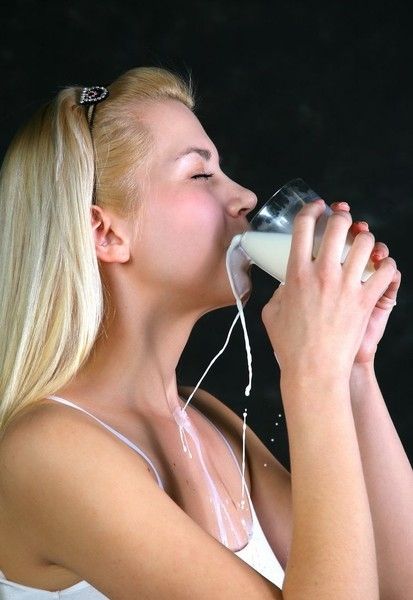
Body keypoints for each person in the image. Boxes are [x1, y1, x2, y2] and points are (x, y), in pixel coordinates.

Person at [0, 66, 411, 600]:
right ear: (105, 233)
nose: (244, 197)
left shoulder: (208, 420)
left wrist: (353, 367)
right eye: (200, 175)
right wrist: (314, 378)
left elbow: (395, 584)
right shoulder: (48, 452)